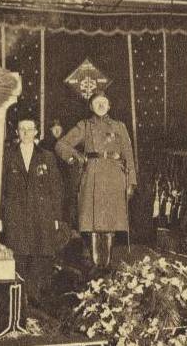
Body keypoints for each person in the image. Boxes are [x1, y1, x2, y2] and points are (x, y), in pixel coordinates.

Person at [55, 93, 137, 272]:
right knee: (93, 225)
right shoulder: (84, 126)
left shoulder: (120, 127)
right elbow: (61, 145)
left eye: (104, 102)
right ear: (91, 107)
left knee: (110, 224)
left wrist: (131, 181)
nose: (101, 105)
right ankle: (95, 268)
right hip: (93, 177)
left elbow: (129, 156)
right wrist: (76, 158)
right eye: (96, 103)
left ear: (109, 106)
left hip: (115, 178)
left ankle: (107, 266)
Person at [0, 116, 63, 305]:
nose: (26, 133)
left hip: (41, 214)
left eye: (30, 129)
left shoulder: (47, 157)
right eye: (22, 129)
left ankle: (37, 300)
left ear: (37, 132)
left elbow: (56, 189)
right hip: (15, 214)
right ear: (17, 132)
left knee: (40, 254)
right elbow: (0, 188)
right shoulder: (7, 156)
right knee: (18, 254)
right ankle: (18, 301)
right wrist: (0, 217)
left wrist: (56, 217)